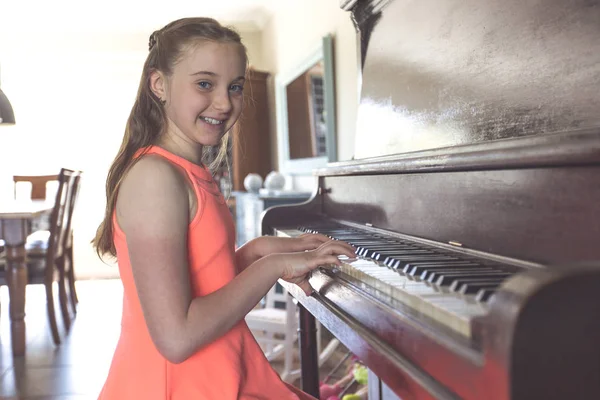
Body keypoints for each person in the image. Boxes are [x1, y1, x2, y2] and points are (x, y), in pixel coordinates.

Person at [92, 17, 355, 400]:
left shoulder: (188, 171)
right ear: (159, 84)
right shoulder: (155, 178)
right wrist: (273, 267)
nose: (224, 102)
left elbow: (204, 275)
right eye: (204, 84)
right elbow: (177, 338)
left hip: (216, 373)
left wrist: (260, 250)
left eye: (234, 87)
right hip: (178, 385)